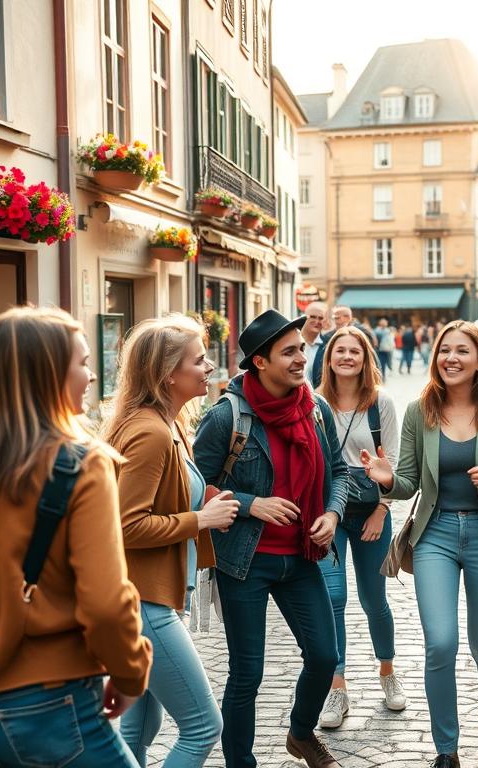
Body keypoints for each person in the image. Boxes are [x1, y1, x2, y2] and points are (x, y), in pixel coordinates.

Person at [0, 306, 152, 767]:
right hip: (49, 705)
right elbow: (105, 602)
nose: (90, 376)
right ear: (48, 374)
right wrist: (130, 676)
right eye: (82, 363)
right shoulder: (81, 463)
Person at [361, 320, 478, 768]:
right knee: (439, 643)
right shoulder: (421, 410)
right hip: (435, 533)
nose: (450, 359)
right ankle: (446, 749)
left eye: (462, 351)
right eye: (444, 351)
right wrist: (386, 481)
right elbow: (405, 482)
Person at [194, 309, 348, 768]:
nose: (303, 358)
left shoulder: (315, 408)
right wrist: (249, 503)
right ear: (260, 362)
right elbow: (194, 486)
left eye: (301, 348)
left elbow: (338, 472)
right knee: (247, 672)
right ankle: (241, 762)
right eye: (290, 351)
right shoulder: (228, 416)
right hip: (245, 561)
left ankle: (300, 734)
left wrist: (332, 513)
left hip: (302, 556)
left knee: (324, 656)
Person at [102, 315, 238, 767]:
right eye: (199, 360)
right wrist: (200, 517)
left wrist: (200, 502)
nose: (209, 366)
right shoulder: (151, 432)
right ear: (167, 373)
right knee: (203, 727)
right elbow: (125, 525)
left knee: (140, 729)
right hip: (144, 603)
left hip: (148, 597)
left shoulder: (167, 423)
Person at [315, 327, 405, 728]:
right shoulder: (314, 403)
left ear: (365, 358)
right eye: (340, 350)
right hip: (329, 512)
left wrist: (382, 511)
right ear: (329, 358)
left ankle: (387, 671)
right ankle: (337, 686)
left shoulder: (380, 403)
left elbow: (395, 463)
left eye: (354, 350)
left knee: (373, 600)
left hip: (371, 510)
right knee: (332, 597)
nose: (347, 356)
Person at [302, 302, 328, 384]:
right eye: (312, 317)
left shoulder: (328, 346)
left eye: (320, 318)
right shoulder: (292, 341)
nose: (317, 321)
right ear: (304, 317)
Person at [375, 317, 396, 382]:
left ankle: (383, 376)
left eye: (385, 322)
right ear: (380, 323)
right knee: (380, 363)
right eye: (383, 322)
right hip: (379, 350)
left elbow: (391, 340)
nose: (384, 324)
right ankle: (380, 376)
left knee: (383, 363)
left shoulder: (388, 331)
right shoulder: (377, 331)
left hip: (386, 350)